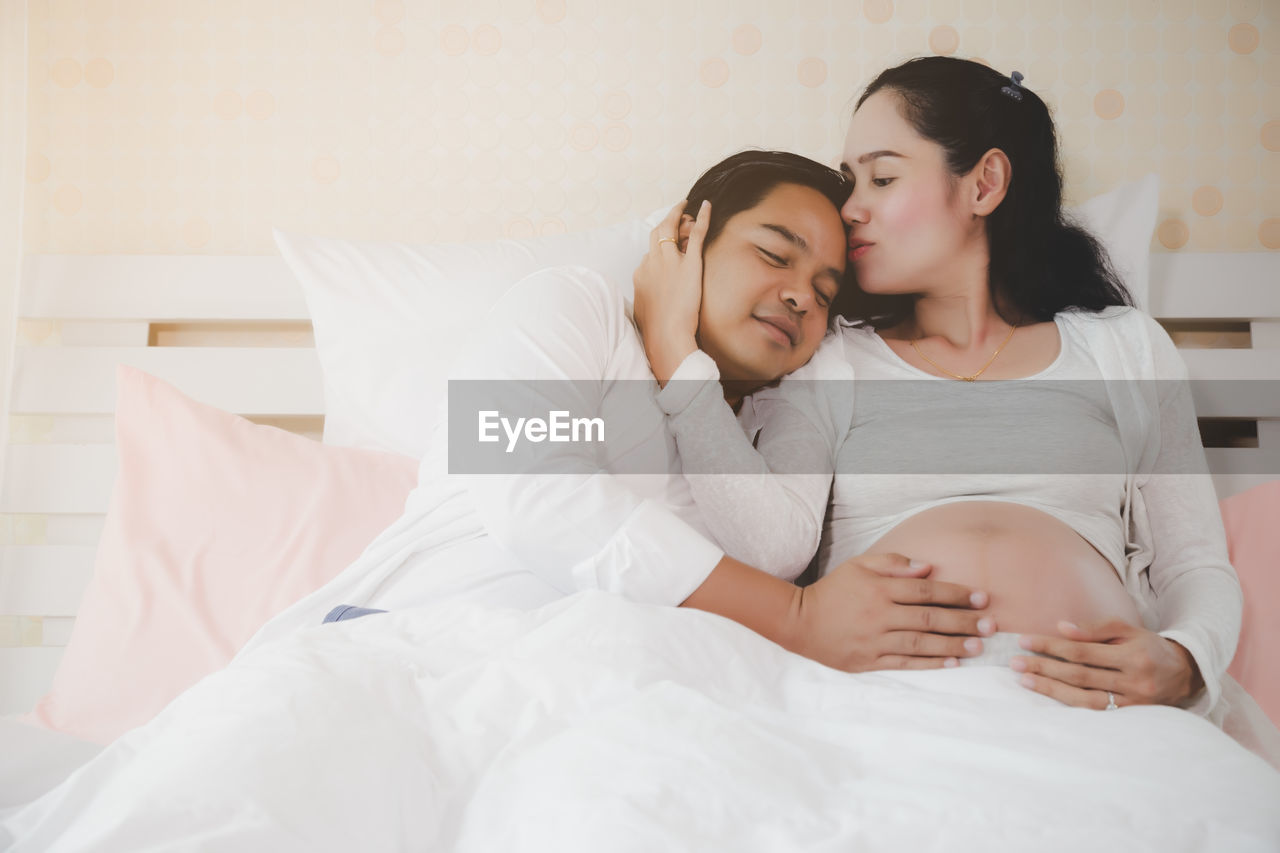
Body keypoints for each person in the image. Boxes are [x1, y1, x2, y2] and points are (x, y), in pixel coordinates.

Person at [634, 56, 1242, 716]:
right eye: (849, 181)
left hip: (1100, 714)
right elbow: (771, 547)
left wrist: (1184, 661)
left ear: (984, 184)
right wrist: (677, 358)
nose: (850, 208)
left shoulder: (1123, 349)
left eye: (882, 177)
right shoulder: (831, 358)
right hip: (888, 710)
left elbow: (1195, 565)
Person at [242, 147, 995, 672]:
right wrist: (797, 621)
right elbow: (534, 491)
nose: (802, 294)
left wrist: (682, 363)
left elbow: (775, 547)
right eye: (774, 254)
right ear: (686, 235)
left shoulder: (768, 418)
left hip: (607, 686)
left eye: (826, 292)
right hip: (416, 639)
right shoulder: (574, 312)